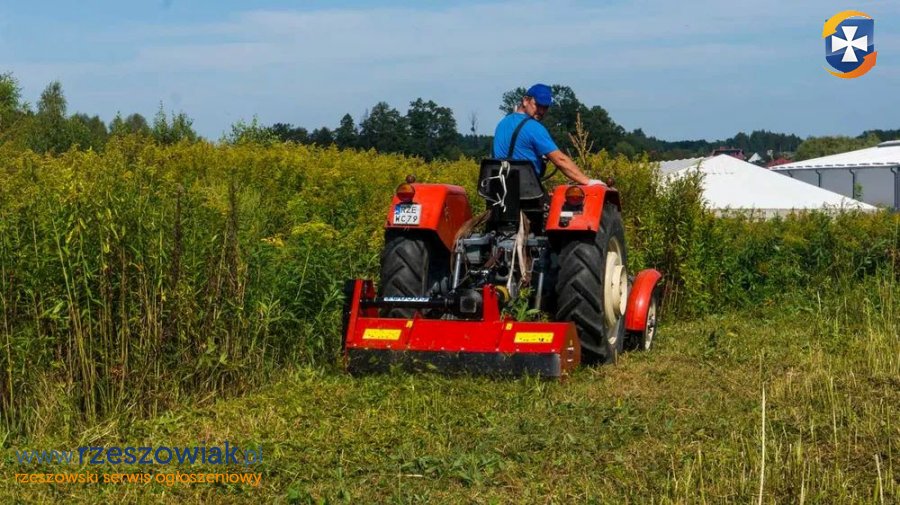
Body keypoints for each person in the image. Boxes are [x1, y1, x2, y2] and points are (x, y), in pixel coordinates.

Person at [492, 83, 603, 186]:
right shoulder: (534, 127)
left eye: (545, 107)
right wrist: (587, 181)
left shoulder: (502, 123)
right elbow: (560, 160)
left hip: (498, 189)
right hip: (526, 191)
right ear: (525, 101)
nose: (541, 111)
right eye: (538, 105)